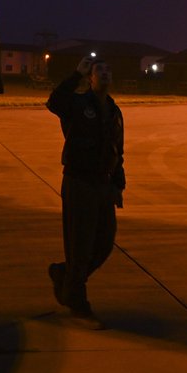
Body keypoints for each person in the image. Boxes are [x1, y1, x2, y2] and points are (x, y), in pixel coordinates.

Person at [45, 55, 126, 322]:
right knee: (80, 244)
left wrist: (118, 184)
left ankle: (64, 275)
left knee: (104, 242)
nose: (104, 72)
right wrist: (74, 74)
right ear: (89, 78)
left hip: (103, 183)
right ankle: (77, 298)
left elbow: (118, 150)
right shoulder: (78, 104)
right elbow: (54, 102)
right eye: (97, 70)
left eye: (107, 69)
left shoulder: (115, 111)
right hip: (79, 181)